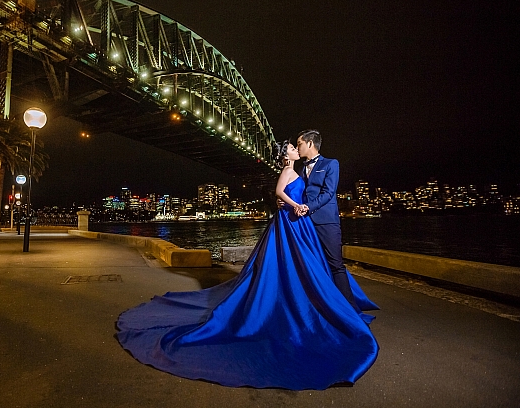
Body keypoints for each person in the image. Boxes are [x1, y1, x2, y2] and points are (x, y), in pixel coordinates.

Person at [116, 140, 379, 391]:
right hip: (291, 221)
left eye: (296, 145)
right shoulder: (288, 170)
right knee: (290, 265)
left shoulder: (301, 170)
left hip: (300, 223)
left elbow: (299, 192)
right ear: (286, 156)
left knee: (305, 265)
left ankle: (319, 303)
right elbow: (279, 192)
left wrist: (294, 203)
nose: (295, 149)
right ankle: (296, 305)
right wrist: (293, 204)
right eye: (291, 147)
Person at [295, 129, 359, 310]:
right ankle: (320, 305)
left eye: (299, 144)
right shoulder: (300, 169)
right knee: (312, 264)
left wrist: (308, 207)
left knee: (335, 264)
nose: (297, 148)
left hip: (326, 221)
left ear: (310, 143)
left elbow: (328, 192)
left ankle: (349, 309)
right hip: (305, 223)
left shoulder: (331, 164)